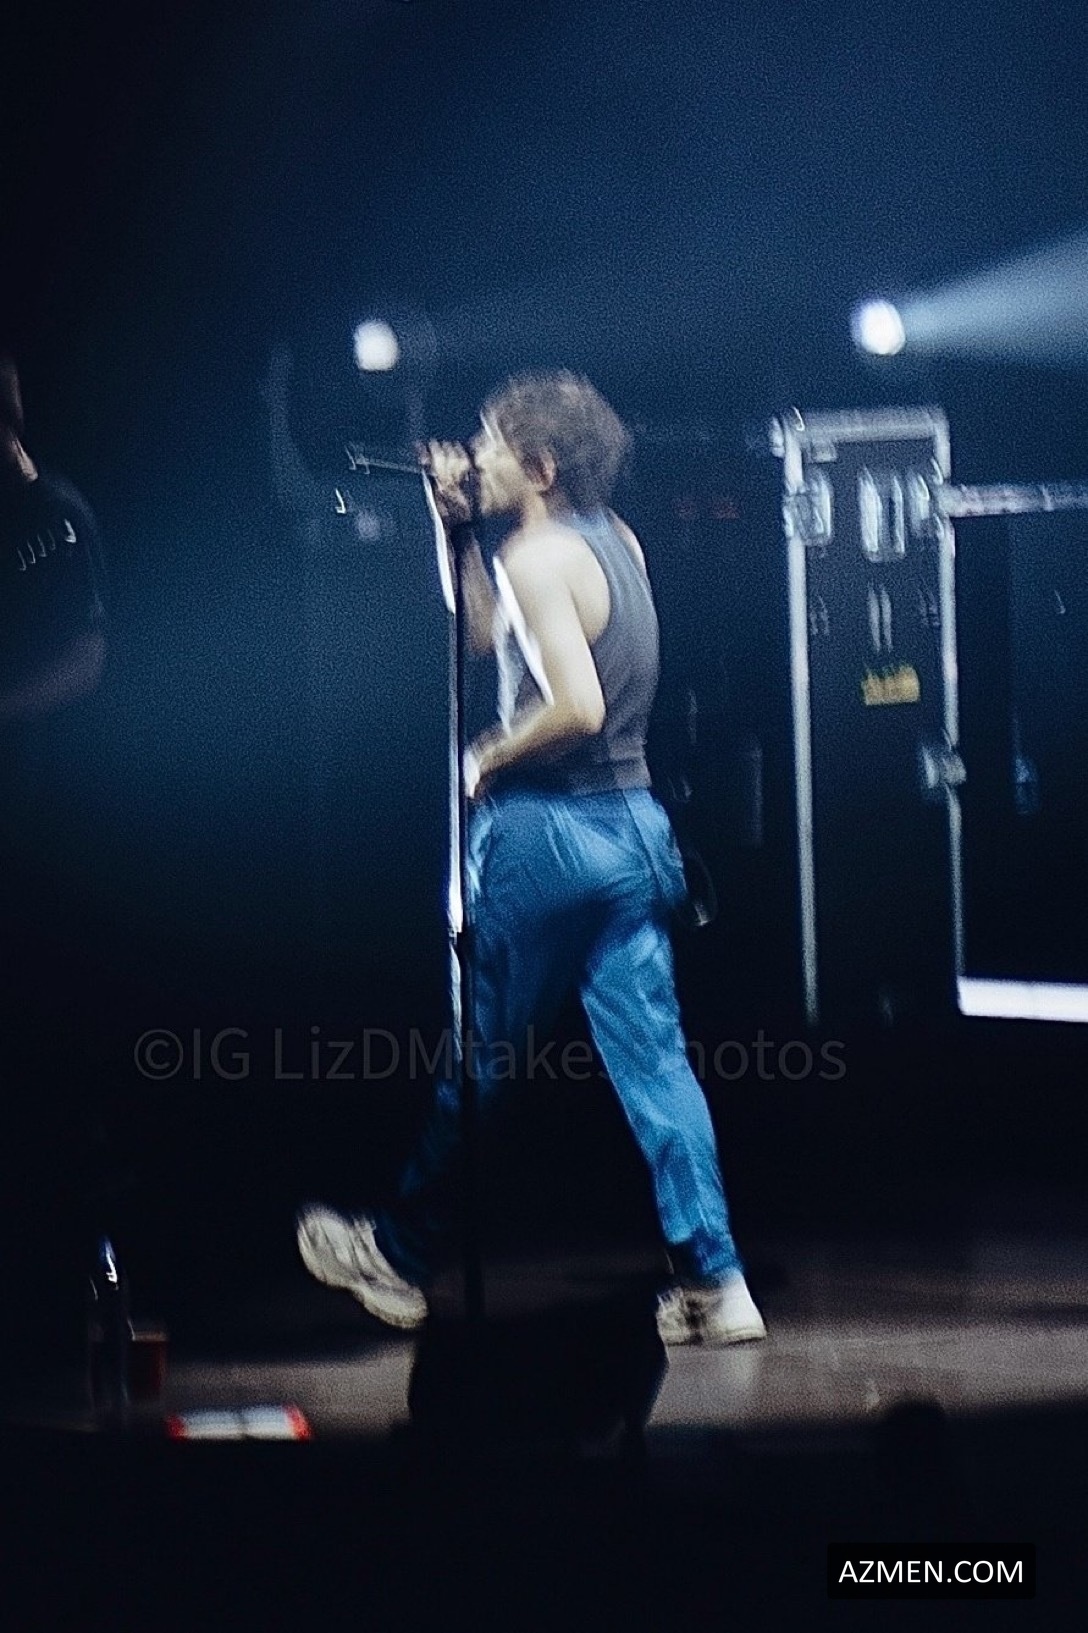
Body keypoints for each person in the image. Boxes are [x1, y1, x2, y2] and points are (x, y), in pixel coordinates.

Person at [298, 370, 764, 1346]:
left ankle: (400, 1258)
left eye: (490, 443)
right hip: (633, 831)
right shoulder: (610, 539)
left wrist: (488, 755)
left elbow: (577, 707)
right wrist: (452, 529)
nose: (474, 454)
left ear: (541, 467)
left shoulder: (540, 555)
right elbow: (482, 634)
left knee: (482, 1053)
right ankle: (716, 1283)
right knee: (656, 1065)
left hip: (546, 835)